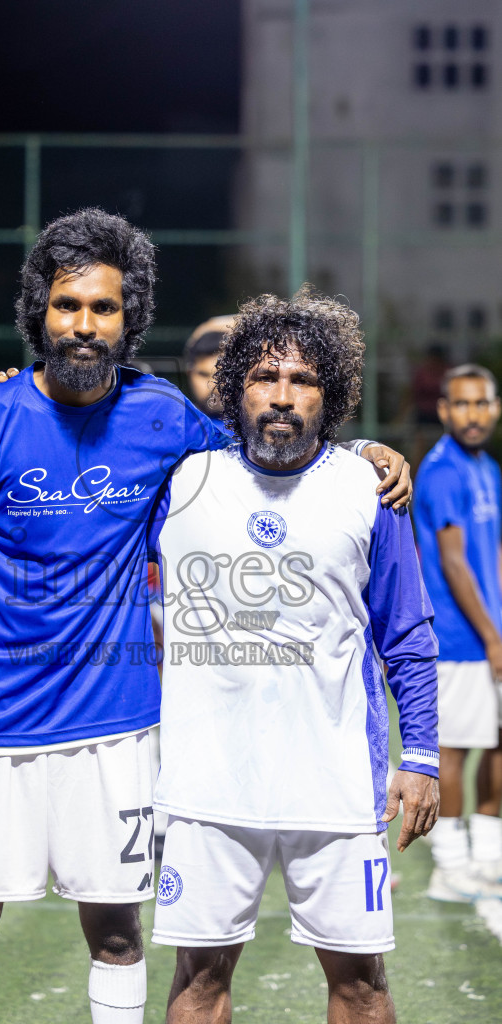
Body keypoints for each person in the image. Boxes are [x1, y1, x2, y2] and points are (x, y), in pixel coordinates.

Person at [0, 207, 411, 1024]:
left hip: (119, 725)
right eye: (67, 305)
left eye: (103, 308)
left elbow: (270, 445)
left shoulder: (165, 418)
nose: (84, 324)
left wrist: (363, 454)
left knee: (117, 934)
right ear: (39, 309)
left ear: (128, 318)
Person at [148, 287, 440, 1024]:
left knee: (362, 985)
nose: (282, 396)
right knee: (198, 981)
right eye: (264, 377)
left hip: (336, 780)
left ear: (330, 393)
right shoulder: (181, 480)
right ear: (233, 385)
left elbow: (404, 634)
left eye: (303, 380)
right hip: (206, 781)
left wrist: (423, 757)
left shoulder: (369, 489)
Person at [413, 364, 502, 903]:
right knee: (455, 750)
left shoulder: (487, 466)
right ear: (444, 410)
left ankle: (489, 855)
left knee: (494, 745)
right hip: (459, 639)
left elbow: (491, 556)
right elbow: (454, 563)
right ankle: (449, 862)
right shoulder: (442, 470)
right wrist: (492, 638)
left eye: (482, 403)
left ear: (495, 408)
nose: (473, 414)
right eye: (461, 404)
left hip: (490, 634)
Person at [183, 315, 235, 427]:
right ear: (189, 373)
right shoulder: (177, 424)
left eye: (223, 375)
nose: (213, 386)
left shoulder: (256, 427)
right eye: (203, 374)